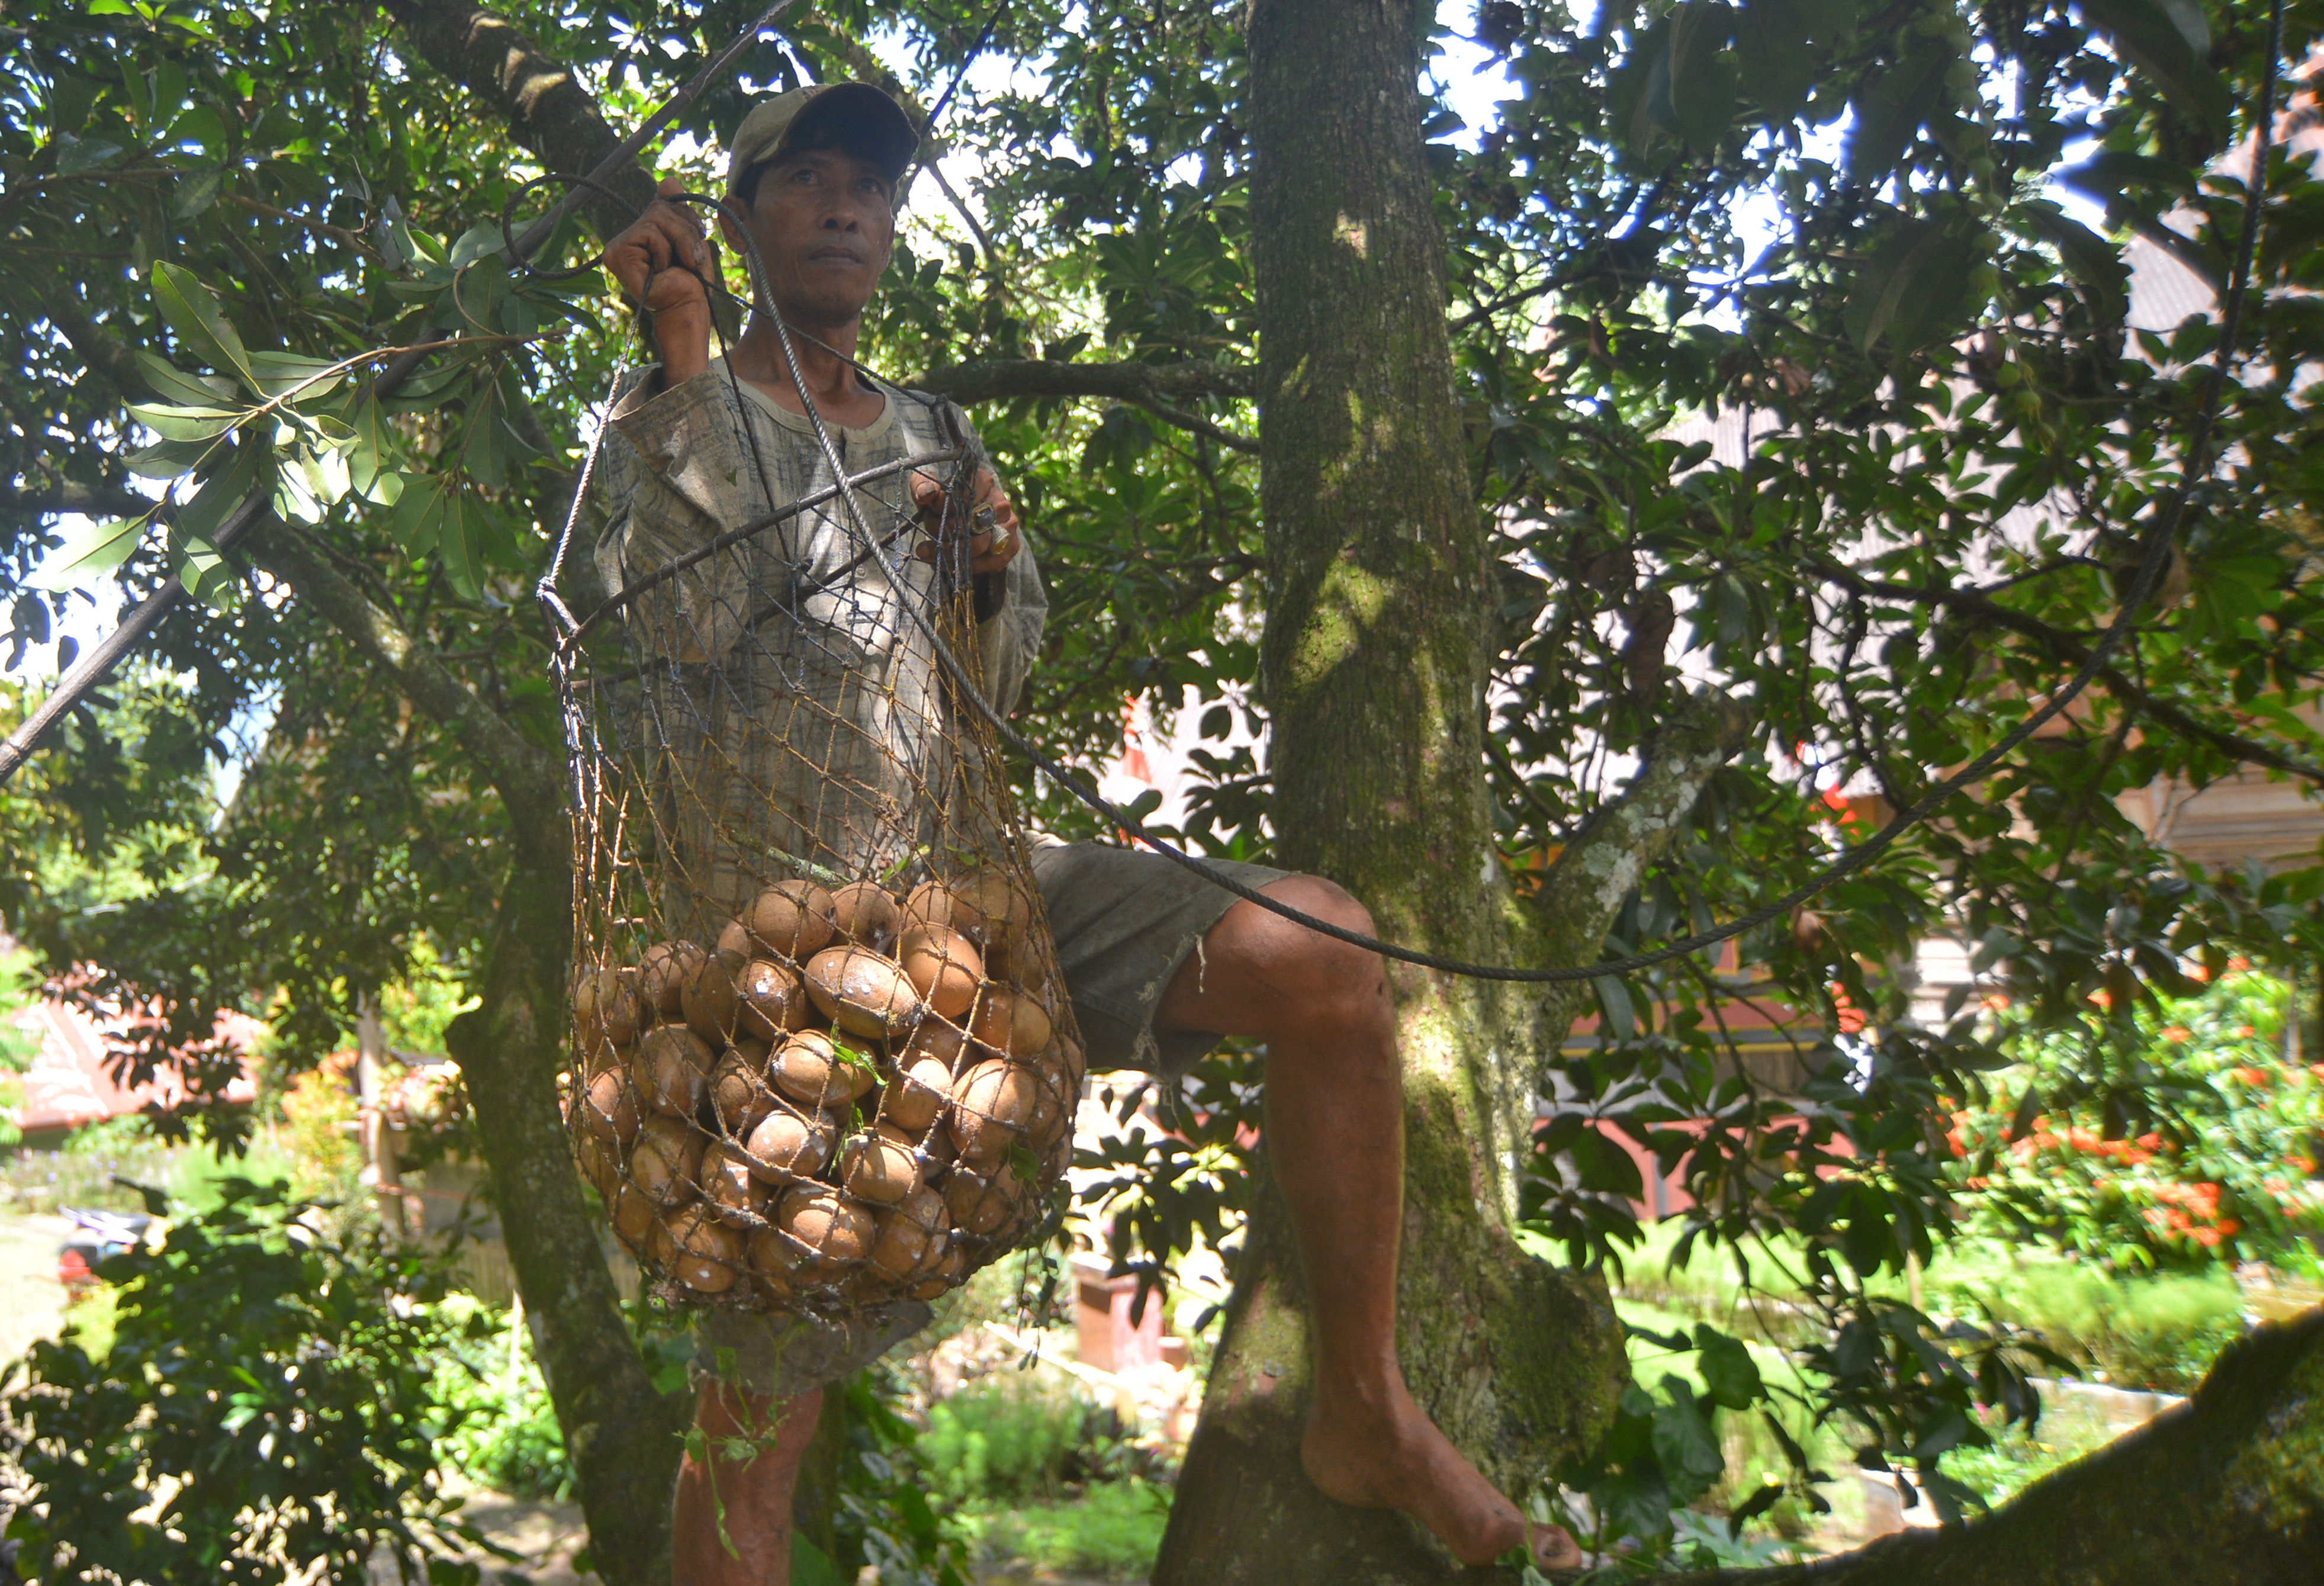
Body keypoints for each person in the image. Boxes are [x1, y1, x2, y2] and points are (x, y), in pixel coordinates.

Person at [597, 81, 1584, 1581]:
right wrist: (681, 353)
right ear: (737, 220)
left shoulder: (933, 427)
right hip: (761, 959)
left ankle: (1367, 1411)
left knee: (1325, 947)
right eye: (804, 177)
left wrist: (981, 572)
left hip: (961, 896)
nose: (847, 204)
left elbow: (990, 684)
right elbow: (673, 625)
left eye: (870, 181)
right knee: (761, 1412)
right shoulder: (664, 414)